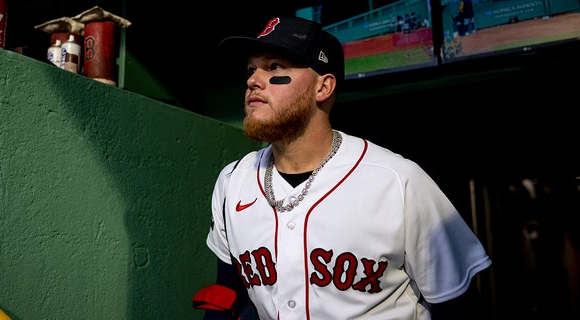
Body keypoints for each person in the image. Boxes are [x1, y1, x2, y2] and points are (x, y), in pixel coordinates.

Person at [193, 16, 492, 320]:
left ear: (323, 87)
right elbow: (229, 295)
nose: (253, 80)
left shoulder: (398, 181)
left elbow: (458, 305)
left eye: (275, 68)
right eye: (251, 69)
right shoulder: (233, 181)